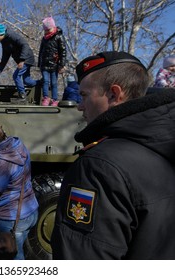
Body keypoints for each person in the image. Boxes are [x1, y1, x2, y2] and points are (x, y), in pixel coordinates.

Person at [51, 51, 175, 259]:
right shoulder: (164, 145)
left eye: (84, 95)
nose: (80, 106)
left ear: (114, 94)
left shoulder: (99, 166)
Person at [0, 120, 39, 260]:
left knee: (13, 259)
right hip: (31, 209)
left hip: (11, 218)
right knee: (20, 250)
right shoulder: (19, 144)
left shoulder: (0, 161)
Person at [0, 23, 40, 100]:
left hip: (26, 58)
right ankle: (42, 83)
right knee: (27, 81)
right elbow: (4, 59)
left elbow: (24, 45)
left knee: (16, 76)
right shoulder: (4, 43)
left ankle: (22, 95)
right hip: (21, 60)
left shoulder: (12, 35)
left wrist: (22, 60)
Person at [38, 17, 67, 107]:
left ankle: (55, 99)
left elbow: (63, 51)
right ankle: (46, 97)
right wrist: (39, 63)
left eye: (48, 29)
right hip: (45, 65)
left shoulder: (59, 36)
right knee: (45, 81)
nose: (47, 31)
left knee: (54, 83)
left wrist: (62, 64)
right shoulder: (44, 38)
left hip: (55, 64)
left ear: (53, 27)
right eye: (45, 30)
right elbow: (41, 51)